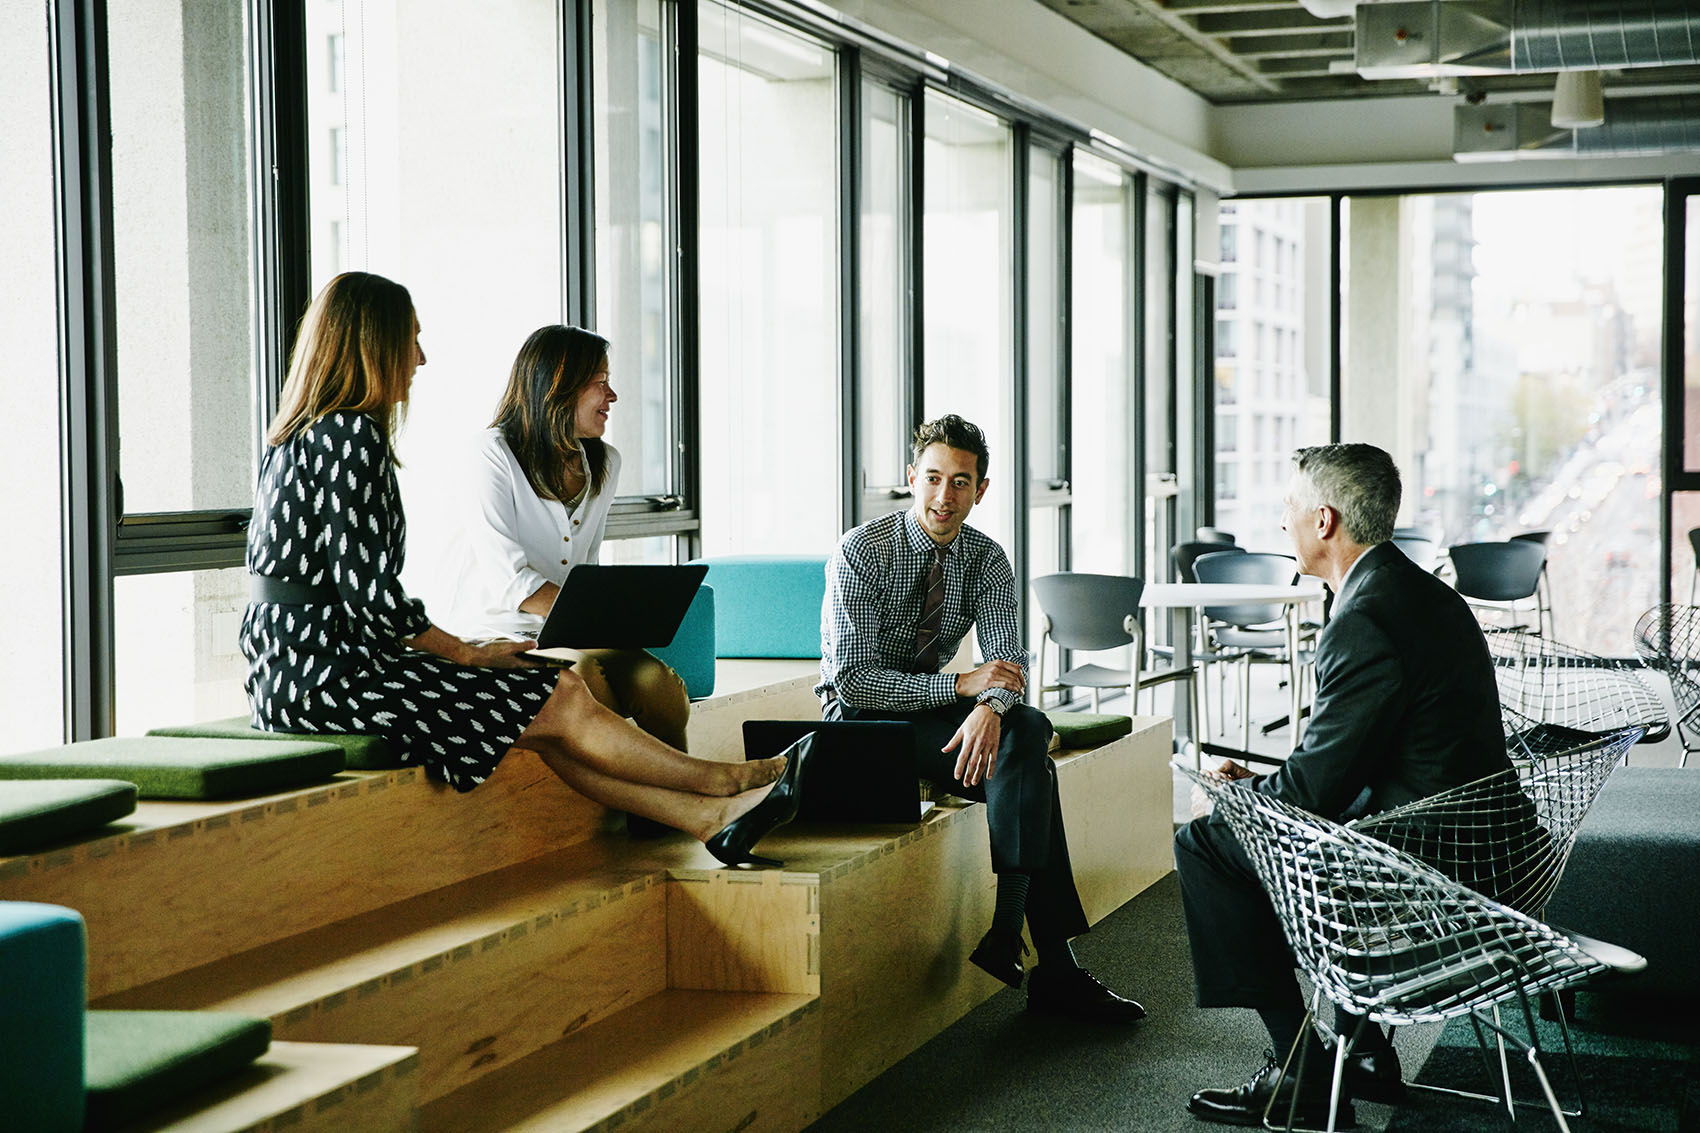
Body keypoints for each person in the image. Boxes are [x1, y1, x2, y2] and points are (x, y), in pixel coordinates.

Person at [240, 272, 802, 867]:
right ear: (372, 344)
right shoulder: (351, 435)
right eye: (411, 340)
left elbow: (353, 593)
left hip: (297, 669)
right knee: (556, 692)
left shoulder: (306, 433)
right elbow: (373, 599)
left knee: (546, 715)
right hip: (328, 678)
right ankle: (724, 783)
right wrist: (468, 653)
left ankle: (710, 819)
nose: (421, 359)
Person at [1175, 443, 1510, 1128]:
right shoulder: (1416, 591)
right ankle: (1360, 1050)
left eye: (1290, 508)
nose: (1282, 522)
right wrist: (1267, 784)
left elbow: (1315, 793)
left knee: (1206, 844)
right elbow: (1362, 762)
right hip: (1481, 839)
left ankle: (1299, 1070)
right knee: (1283, 824)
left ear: (1324, 521)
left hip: (1433, 863)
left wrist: (1241, 800)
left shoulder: (1364, 616)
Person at [817, 414, 1144, 1024]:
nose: (945, 497)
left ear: (981, 489)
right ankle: (1050, 963)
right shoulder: (861, 551)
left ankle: (1010, 940)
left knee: (1025, 730)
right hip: (862, 726)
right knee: (1034, 767)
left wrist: (990, 708)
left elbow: (1008, 661)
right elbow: (855, 680)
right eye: (934, 479)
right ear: (911, 478)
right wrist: (964, 686)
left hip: (936, 719)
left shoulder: (987, 558)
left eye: (961, 482)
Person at [440, 325, 691, 824]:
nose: (612, 395)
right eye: (601, 382)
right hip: (497, 633)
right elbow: (510, 581)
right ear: (557, 387)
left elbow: (586, 568)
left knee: (657, 683)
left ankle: (662, 816)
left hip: (568, 629)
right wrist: (596, 620)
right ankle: (675, 803)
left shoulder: (604, 463)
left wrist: (613, 617)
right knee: (588, 676)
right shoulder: (491, 454)